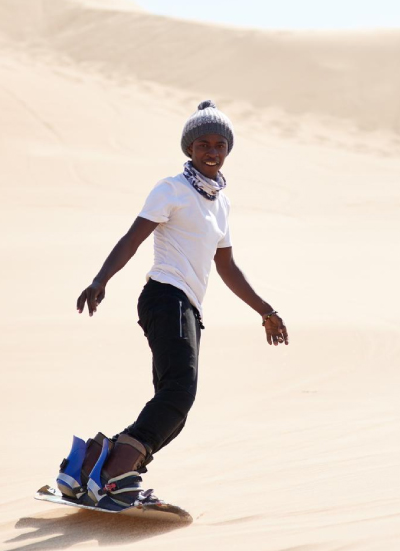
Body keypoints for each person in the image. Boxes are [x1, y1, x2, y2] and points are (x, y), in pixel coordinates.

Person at [56, 100, 288, 510]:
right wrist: (101, 278)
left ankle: (91, 464)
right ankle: (116, 476)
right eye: (203, 144)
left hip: (187, 307)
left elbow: (227, 266)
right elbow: (133, 238)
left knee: (173, 408)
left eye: (219, 144)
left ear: (228, 149)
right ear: (189, 148)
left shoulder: (221, 203)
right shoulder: (172, 189)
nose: (212, 151)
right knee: (179, 393)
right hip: (167, 296)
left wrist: (266, 311)